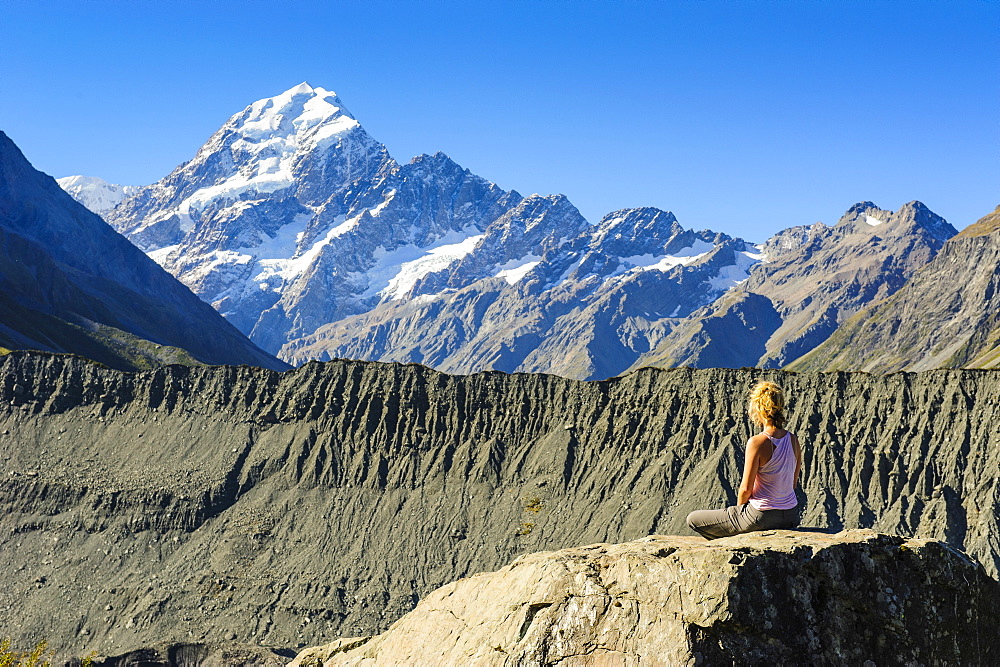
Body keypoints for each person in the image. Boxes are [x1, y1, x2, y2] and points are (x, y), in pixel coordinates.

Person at [686, 380, 802, 539]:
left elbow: (746, 489)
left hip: (762, 516)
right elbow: (792, 484)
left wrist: (740, 513)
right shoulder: (793, 440)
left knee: (693, 519)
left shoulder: (758, 442)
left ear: (759, 409)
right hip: (792, 515)